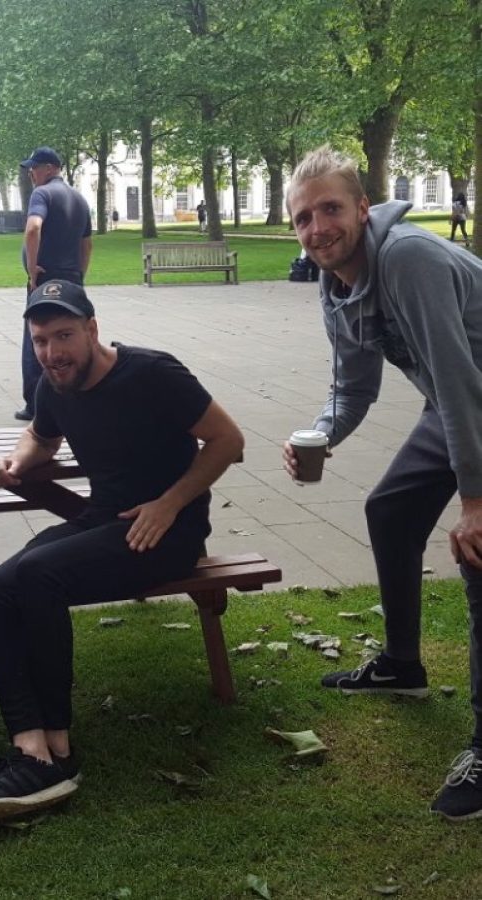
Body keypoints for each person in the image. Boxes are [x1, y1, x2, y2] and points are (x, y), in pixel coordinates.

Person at [0, 279, 244, 822]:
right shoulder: (54, 384)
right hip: (105, 521)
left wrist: (169, 503)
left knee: (39, 573)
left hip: (168, 534)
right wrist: (16, 464)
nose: (52, 352)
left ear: (92, 329)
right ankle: (29, 746)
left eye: (63, 336)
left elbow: (229, 439)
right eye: (40, 340)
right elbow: (41, 438)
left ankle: (60, 754)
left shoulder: (155, 374)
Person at [283, 144, 482, 822]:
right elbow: (353, 386)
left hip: (470, 397)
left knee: (479, 555)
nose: (319, 228)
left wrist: (474, 502)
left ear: (364, 209)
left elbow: (458, 384)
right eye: (304, 218)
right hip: (457, 401)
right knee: (391, 510)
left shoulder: (409, 259)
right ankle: (401, 664)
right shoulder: (334, 282)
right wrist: (319, 435)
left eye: (331, 209)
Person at [15, 147, 92, 422]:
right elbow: (86, 244)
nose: (31, 173)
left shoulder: (42, 194)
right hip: (71, 280)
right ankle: (72, 397)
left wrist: (33, 269)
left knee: (38, 340)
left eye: (34, 168)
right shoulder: (80, 200)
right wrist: (79, 276)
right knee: (71, 339)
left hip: (46, 279)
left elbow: (33, 227)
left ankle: (36, 405)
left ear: (50, 168)